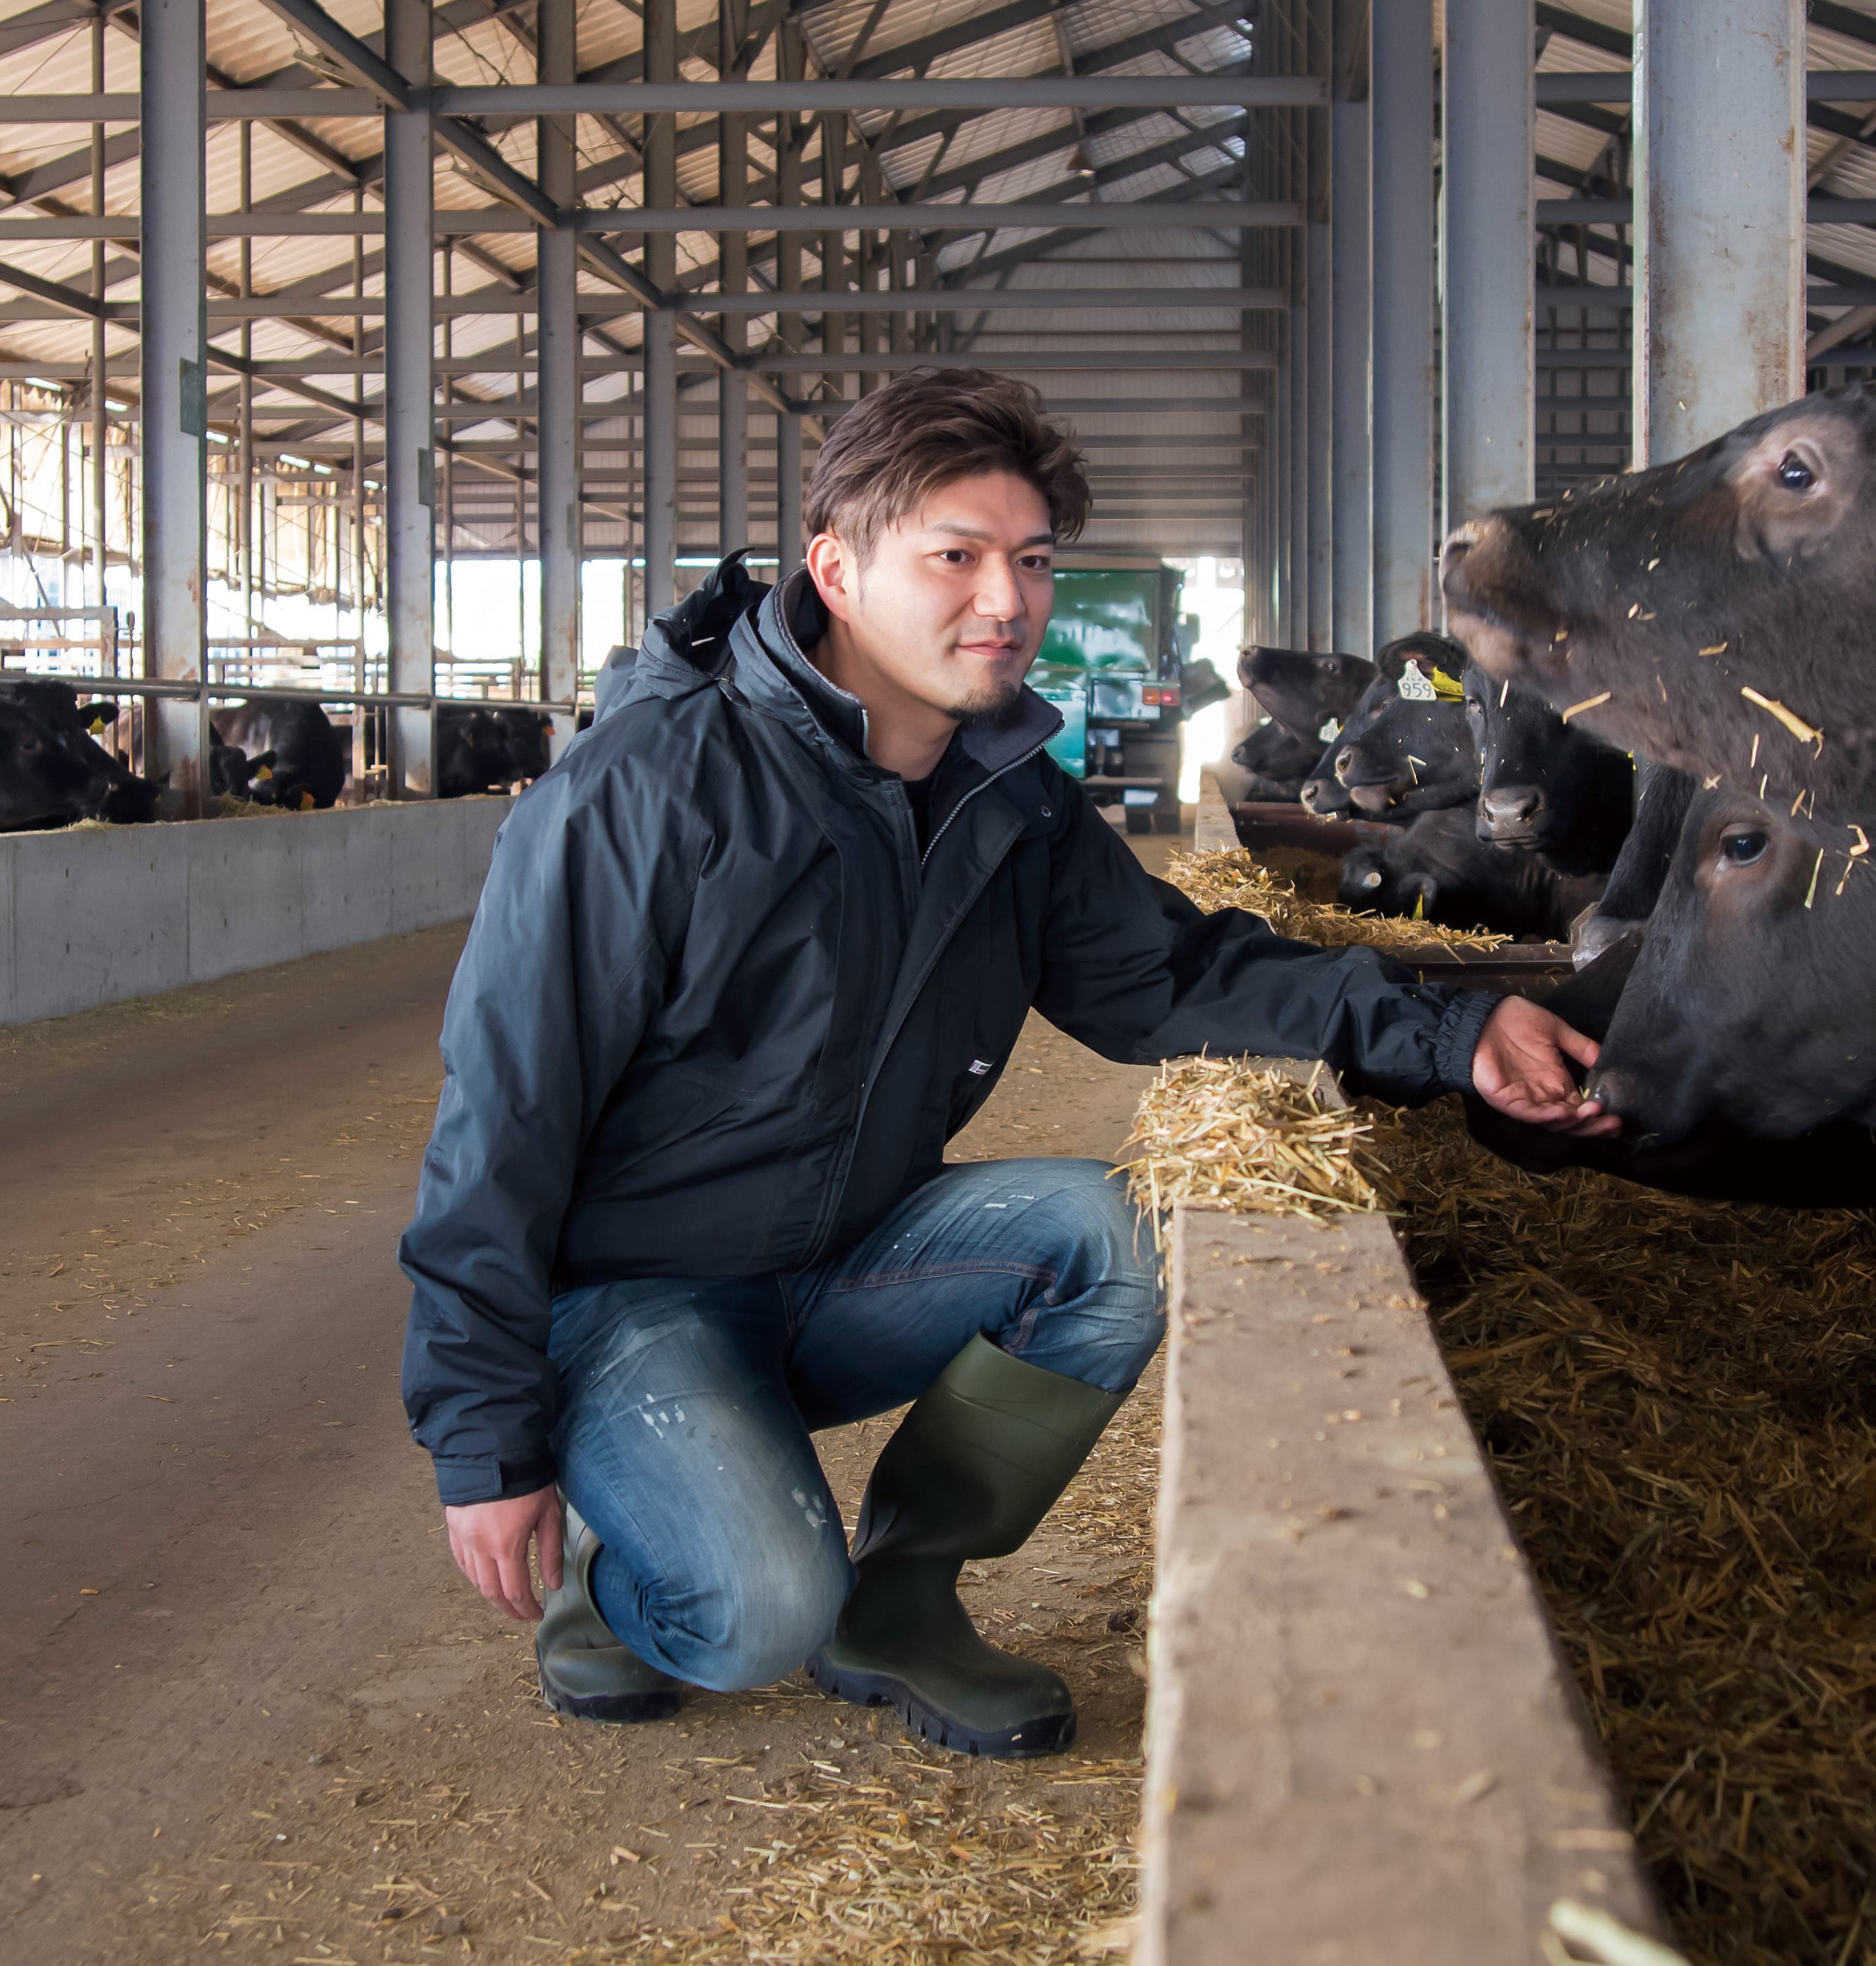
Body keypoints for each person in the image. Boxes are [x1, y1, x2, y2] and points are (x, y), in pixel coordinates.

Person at [398, 368, 1617, 1760]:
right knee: (754, 1614)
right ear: (836, 569)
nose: (1005, 601)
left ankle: (905, 1597)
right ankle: (617, 1595)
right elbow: (500, 1123)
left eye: (1030, 561)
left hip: (840, 1264)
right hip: (633, 1302)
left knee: (1115, 1229)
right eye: (955, 557)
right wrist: (486, 1445)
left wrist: (1456, 1032)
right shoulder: (647, 790)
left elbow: (1171, 976)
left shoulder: (1006, 796)